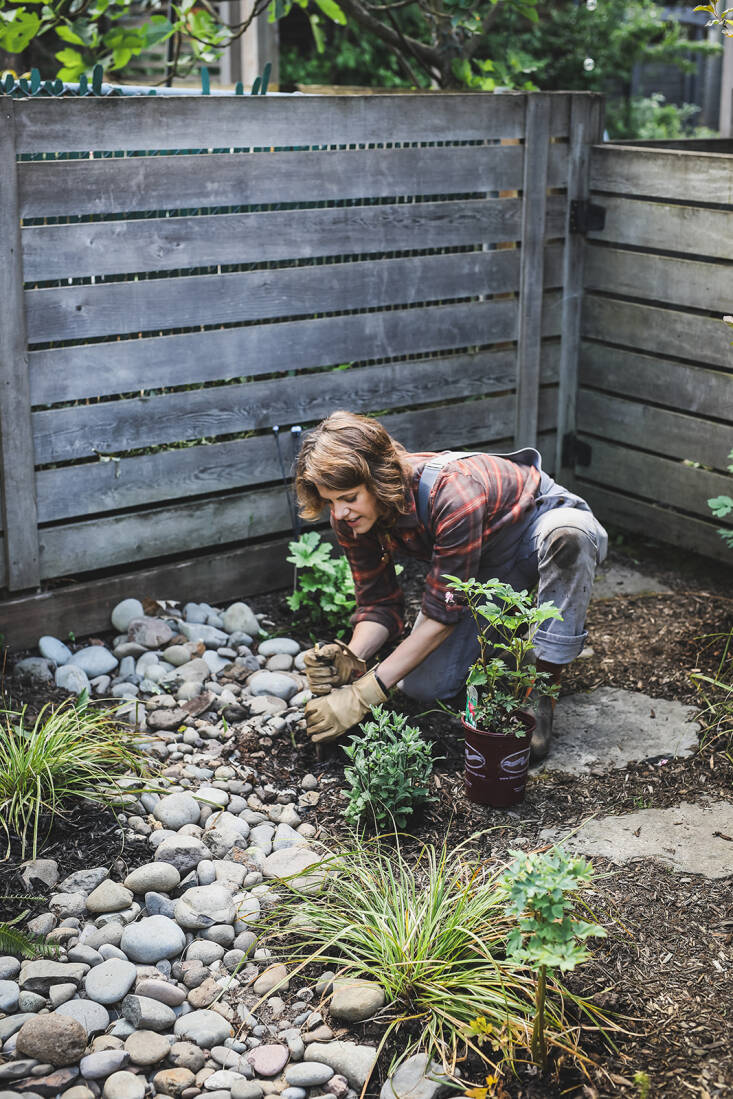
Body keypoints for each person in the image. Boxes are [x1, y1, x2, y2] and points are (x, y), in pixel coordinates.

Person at [294, 410, 607, 760]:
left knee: (570, 537)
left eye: (349, 497)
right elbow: (378, 604)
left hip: (539, 524)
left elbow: (441, 617)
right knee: (424, 686)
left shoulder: (453, 493)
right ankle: (513, 639)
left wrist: (363, 695)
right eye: (331, 501)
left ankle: (542, 691)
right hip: (485, 559)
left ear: (379, 480)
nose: (339, 513)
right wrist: (354, 656)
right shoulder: (351, 519)